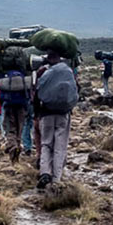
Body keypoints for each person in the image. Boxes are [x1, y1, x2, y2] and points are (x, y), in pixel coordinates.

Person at [33, 51, 79, 189]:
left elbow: (36, 93)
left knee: (46, 144)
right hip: (63, 113)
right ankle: (56, 178)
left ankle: (45, 173)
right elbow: (76, 90)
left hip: (46, 113)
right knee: (60, 146)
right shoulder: (68, 71)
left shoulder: (42, 72)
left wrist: (36, 113)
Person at [0, 68, 34, 163]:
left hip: (9, 106)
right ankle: (17, 147)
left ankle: (13, 147)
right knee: (19, 129)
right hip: (22, 106)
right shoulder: (22, 76)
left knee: (10, 128)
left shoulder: (6, 75)